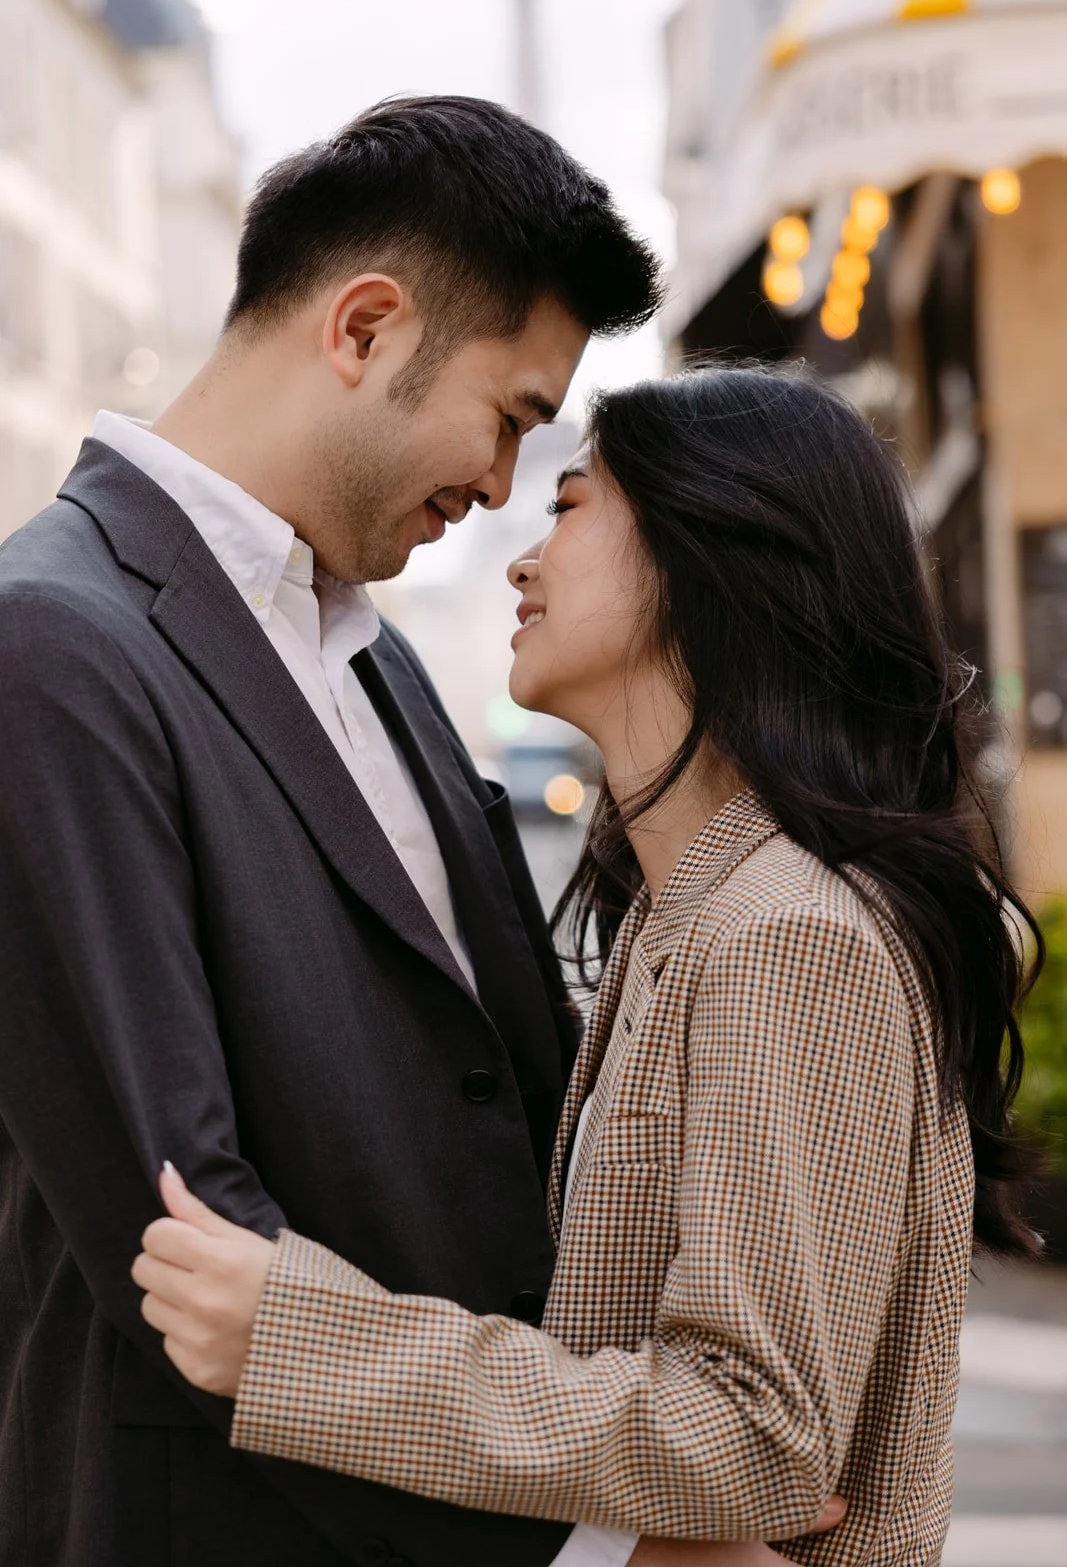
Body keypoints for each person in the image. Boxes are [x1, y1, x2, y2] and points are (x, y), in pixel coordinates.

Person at [134, 366, 1041, 1567]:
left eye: (566, 506)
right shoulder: (687, 919)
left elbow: (754, 1432)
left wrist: (304, 1344)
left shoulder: (789, 935)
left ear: (710, 554)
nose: (521, 560)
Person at [0, 93, 695, 1567]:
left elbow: (490, 1080)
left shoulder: (369, 651)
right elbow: (179, 1233)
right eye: (509, 418)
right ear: (365, 329)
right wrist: (571, 1530)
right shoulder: (49, 644)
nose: (499, 488)